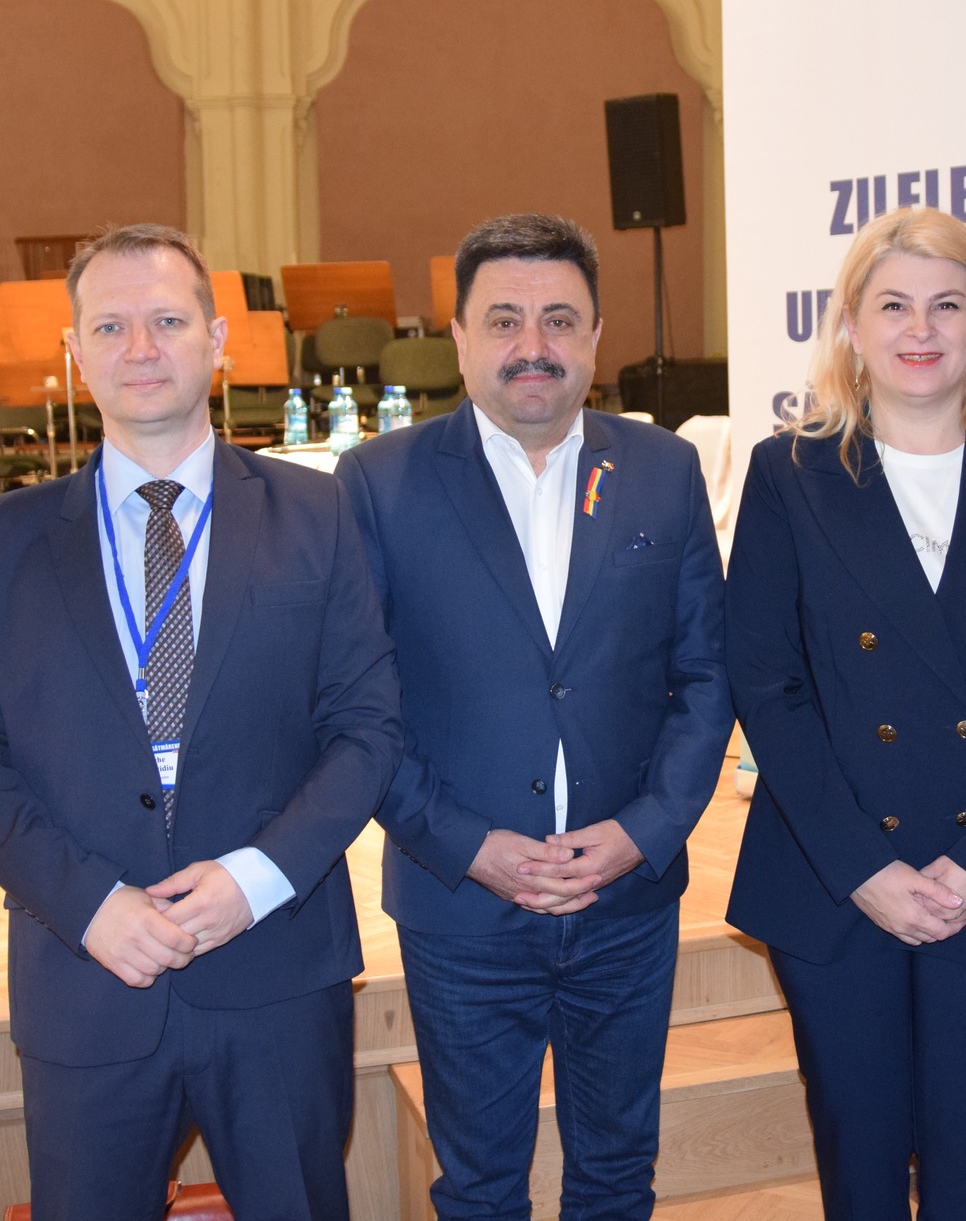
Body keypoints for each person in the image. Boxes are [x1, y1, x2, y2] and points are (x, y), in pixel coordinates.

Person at [0, 224, 402, 1221]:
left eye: (168, 321)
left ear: (218, 340)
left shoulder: (320, 512)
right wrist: (88, 902)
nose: (141, 347)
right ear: (74, 352)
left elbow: (368, 726)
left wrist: (255, 878)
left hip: (274, 965)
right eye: (111, 326)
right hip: (87, 972)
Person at [335, 213, 729, 1220]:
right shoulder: (378, 483)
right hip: (461, 901)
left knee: (616, 1178)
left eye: (559, 319)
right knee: (478, 1187)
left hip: (625, 902)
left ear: (595, 336)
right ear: (457, 336)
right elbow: (358, 704)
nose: (532, 344)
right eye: (503, 319)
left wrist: (642, 831)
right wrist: (468, 845)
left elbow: (704, 675)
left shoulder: (664, 471)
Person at [724, 206, 966, 1220]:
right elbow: (765, 681)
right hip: (835, 874)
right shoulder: (788, 471)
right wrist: (864, 866)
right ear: (850, 324)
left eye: (946, 303)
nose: (920, 328)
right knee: (856, 1163)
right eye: (892, 304)